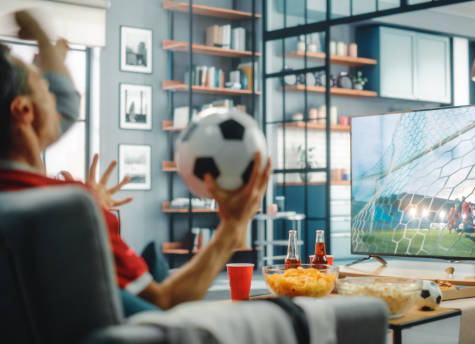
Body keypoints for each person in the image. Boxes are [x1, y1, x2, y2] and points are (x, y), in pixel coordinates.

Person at [0, 11, 271, 313]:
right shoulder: (72, 207)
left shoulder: (18, 198)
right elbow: (164, 301)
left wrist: (43, 41)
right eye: (44, 91)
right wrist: (234, 227)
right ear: (23, 111)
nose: (57, 101)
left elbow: (65, 101)